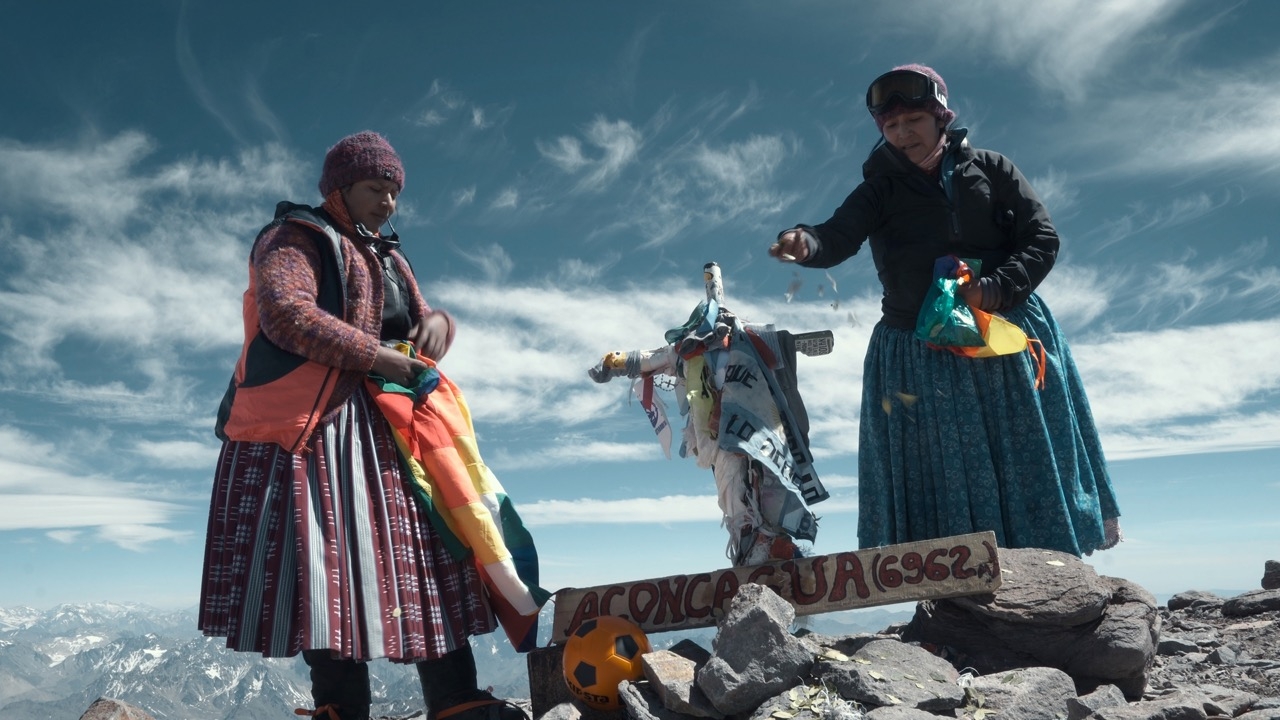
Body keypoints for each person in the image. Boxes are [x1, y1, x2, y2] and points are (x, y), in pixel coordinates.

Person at [200, 131, 530, 720]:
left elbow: (418, 319)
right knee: (329, 564)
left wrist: (440, 326)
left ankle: (455, 699)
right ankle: (339, 706)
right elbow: (285, 312)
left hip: (394, 427)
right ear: (340, 188)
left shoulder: (388, 256)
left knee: (431, 549)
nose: (389, 204)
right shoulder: (296, 237)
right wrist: (378, 357)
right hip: (320, 429)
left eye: (395, 193)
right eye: (377, 189)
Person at [769, 64, 1121, 557]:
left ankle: (1047, 576)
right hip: (919, 348)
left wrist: (994, 290)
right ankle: (952, 589)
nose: (902, 133)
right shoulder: (878, 190)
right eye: (890, 126)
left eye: (912, 119)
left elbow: (1042, 238)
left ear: (940, 116)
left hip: (1002, 334)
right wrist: (804, 242)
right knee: (937, 467)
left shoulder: (992, 169)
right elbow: (836, 235)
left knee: (1020, 455)